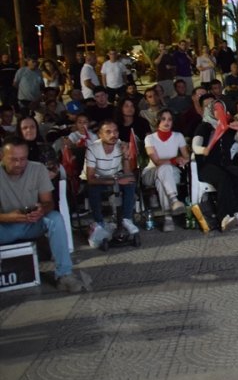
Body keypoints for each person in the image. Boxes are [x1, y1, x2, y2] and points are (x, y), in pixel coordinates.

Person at [0, 137, 86, 292]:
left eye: (23, 159)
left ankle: (64, 274)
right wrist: (8, 217)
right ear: (2, 156)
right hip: (6, 227)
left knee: (55, 218)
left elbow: (49, 202)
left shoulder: (37, 169)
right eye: (13, 160)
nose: (19, 164)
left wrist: (41, 210)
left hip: (32, 222)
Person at [191, 95, 238, 231]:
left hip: (225, 164)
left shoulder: (229, 127)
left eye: (221, 109)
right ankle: (223, 216)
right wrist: (203, 150)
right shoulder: (204, 127)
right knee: (223, 178)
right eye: (215, 109)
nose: (219, 113)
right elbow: (195, 146)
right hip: (207, 166)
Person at [85, 119, 140, 235]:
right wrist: (117, 180)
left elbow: (127, 173)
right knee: (92, 188)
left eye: (115, 131)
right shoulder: (92, 149)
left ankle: (126, 219)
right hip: (100, 179)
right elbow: (91, 179)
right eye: (108, 132)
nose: (113, 135)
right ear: (100, 135)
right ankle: (99, 222)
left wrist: (125, 156)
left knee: (130, 181)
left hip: (115, 177)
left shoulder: (121, 145)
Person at [142, 109, 189, 230]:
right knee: (163, 168)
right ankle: (174, 200)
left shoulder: (178, 136)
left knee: (161, 181)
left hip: (172, 174)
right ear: (157, 121)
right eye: (163, 119)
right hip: (151, 172)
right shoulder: (150, 138)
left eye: (169, 119)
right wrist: (175, 160)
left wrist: (184, 160)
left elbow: (186, 156)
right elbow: (157, 162)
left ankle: (168, 218)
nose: (166, 122)